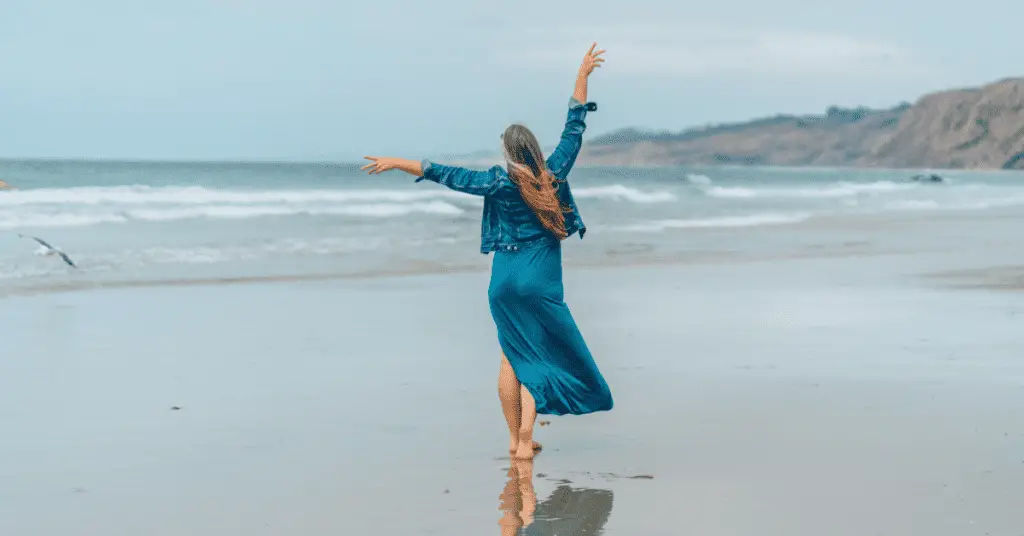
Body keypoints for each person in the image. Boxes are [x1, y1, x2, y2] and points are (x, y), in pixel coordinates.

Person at [362, 42, 613, 460]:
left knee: (510, 357)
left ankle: (516, 441)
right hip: (541, 279)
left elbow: (447, 174)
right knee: (537, 356)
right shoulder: (552, 175)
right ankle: (525, 437)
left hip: (505, 279)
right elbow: (574, 130)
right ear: (532, 149)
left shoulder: (497, 182)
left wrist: (397, 161)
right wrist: (582, 77)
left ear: (507, 153)